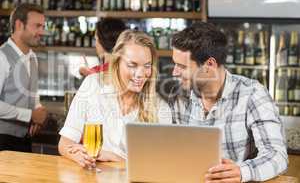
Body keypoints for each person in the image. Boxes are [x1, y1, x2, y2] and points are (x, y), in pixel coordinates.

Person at [169, 22, 288, 182]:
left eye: (182, 66)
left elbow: (276, 155)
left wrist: (242, 172)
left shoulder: (252, 93)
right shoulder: (178, 95)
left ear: (209, 65)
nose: (174, 72)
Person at [58, 29, 172, 168]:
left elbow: (159, 167)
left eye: (147, 66)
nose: (141, 74)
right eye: (132, 65)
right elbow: (65, 143)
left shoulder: (160, 108)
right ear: (116, 63)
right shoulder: (93, 84)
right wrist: (78, 156)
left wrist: (114, 158)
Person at [0, 3, 48, 152]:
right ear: (19, 25)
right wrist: (30, 115)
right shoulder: (2, 56)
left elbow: (31, 93)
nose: (42, 32)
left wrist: (39, 110)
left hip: (24, 139)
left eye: (43, 27)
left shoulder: (32, 56)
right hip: (3, 141)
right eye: (37, 26)